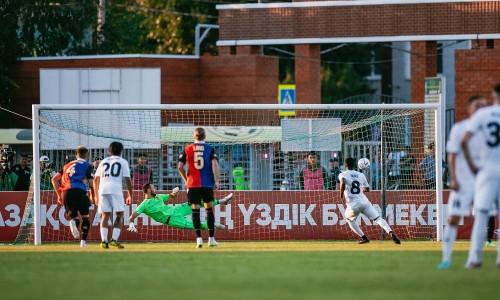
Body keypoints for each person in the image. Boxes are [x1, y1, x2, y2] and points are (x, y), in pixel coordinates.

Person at [438, 95, 488, 270]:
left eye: (484, 106)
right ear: (469, 108)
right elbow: (451, 154)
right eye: (478, 105)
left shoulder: (488, 131)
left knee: (482, 217)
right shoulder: (460, 128)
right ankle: (446, 258)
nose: (481, 109)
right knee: (453, 218)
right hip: (463, 182)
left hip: (483, 182)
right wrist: (454, 178)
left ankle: (474, 259)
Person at [462, 85, 500, 269]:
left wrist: (472, 166)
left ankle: (474, 258)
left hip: (487, 170)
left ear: (494, 96)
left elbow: (464, 141)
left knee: (482, 214)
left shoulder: (483, 115)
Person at [339, 157, 401, 244]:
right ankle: (390, 232)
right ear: (355, 165)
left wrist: (341, 194)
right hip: (365, 202)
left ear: (345, 165)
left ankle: (364, 237)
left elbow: (342, 182)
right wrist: (360, 190)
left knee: (349, 219)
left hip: (353, 205)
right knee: (378, 218)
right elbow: (367, 189)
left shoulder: (343, 174)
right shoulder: (361, 175)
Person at [178, 127, 220, 248]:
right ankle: (211, 239)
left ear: (194, 136)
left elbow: (180, 166)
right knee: (209, 210)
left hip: (193, 184)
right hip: (207, 184)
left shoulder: (187, 149)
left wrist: (187, 180)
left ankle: (199, 240)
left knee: (195, 210)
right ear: (204, 136)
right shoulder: (210, 149)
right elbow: (215, 165)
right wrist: (216, 181)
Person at [128, 183, 233, 232]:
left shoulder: (158, 197)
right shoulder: (144, 204)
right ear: (149, 190)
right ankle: (213, 225)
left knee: (195, 202)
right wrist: (132, 223)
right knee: (195, 225)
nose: (155, 188)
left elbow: (171, 196)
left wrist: (175, 191)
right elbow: (132, 216)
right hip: (172, 219)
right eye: (153, 187)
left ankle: (222, 201)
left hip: (176, 209)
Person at [51, 146, 94, 247]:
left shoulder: (67, 165)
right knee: (85, 217)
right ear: (87, 155)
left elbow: (54, 179)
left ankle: (73, 222)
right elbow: (91, 182)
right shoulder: (87, 165)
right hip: (79, 190)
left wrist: (59, 195)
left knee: (74, 217)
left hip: (66, 192)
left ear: (76, 154)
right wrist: (93, 195)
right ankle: (83, 242)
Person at [94, 142, 133, 249]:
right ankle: (114, 240)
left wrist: (96, 195)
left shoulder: (103, 161)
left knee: (105, 215)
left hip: (102, 190)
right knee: (120, 215)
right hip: (115, 189)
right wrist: (130, 195)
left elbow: (96, 179)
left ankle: (104, 241)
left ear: (109, 151)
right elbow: (128, 180)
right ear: (121, 151)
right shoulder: (123, 161)